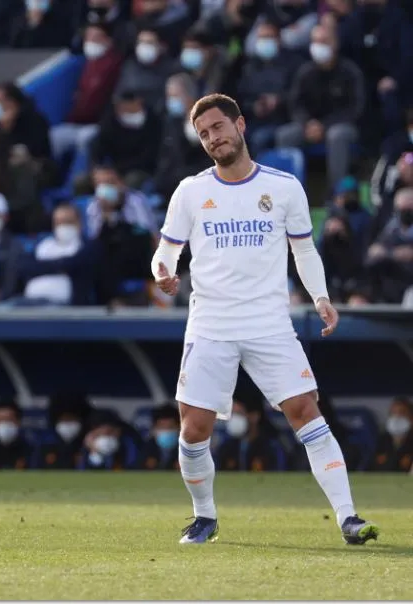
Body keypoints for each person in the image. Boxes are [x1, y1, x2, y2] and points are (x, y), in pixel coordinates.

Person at [151, 93, 379, 546]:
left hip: (269, 323)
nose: (213, 138)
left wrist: (321, 297)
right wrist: (162, 271)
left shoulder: (284, 187)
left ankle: (348, 517)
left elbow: (304, 249)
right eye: (203, 134)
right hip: (211, 324)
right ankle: (204, 517)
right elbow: (166, 250)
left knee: (306, 412)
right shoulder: (191, 192)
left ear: (240, 125)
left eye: (218, 128)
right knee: (194, 428)